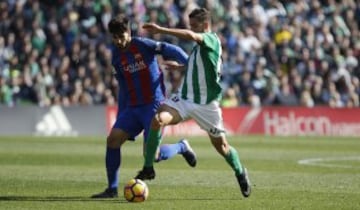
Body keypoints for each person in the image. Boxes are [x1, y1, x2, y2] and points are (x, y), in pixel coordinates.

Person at [135, 8, 251, 198]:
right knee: (157, 120)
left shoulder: (211, 39)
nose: (192, 29)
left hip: (207, 105)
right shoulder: (201, 49)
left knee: (222, 147)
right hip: (184, 98)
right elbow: (201, 66)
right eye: (191, 26)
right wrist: (182, 66)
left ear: (205, 25)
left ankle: (240, 172)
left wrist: (161, 29)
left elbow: (190, 36)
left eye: (195, 26)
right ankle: (148, 168)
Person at [91, 14, 197, 198]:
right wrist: (121, 114)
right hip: (132, 108)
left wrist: (188, 63)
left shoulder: (142, 45)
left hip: (153, 106)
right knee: (113, 140)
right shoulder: (116, 56)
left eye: (121, 36)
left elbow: (171, 49)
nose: (118, 41)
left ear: (129, 32)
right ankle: (111, 189)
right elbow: (123, 87)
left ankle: (181, 147)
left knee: (152, 156)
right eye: (114, 37)